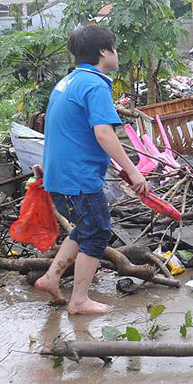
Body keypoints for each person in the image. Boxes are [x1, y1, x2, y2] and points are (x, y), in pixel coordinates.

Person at [35, 25, 148, 315]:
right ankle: (79, 300)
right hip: (78, 178)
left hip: (59, 175)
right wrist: (134, 172)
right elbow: (104, 134)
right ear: (103, 52)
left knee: (85, 229)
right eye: (114, 47)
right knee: (97, 233)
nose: (117, 52)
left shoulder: (68, 82)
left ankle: (51, 277)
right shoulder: (95, 84)